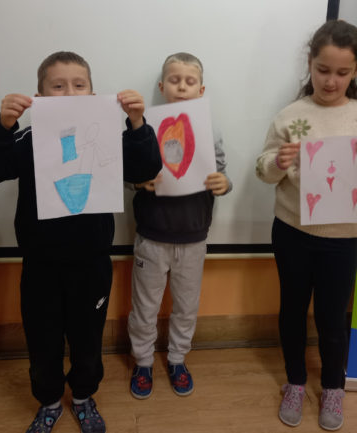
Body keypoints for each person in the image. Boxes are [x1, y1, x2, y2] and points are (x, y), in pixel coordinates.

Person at [0, 51, 162, 433]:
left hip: (92, 264)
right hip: (41, 266)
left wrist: (137, 123)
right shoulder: (28, 139)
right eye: (58, 86)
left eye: (78, 85)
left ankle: (83, 396)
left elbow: (145, 167)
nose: (69, 92)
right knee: (43, 342)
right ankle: (49, 400)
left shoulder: (105, 137)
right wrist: (2, 126)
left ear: (92, 94)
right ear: (40, 96)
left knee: (88, 340)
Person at [255, 20, 357, 431]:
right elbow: (262, 171)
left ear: (356, 71)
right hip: (292, 232)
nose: (331, 81)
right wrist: (278, 161)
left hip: (341, 239)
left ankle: (334, 387)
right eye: (323, 70)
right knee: (292, 311)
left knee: (333, 317)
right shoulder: (291, 116)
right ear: (310, 64)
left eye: (342, 72)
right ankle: (295, 381)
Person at [127, 52, 232, 399]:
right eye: (174, 80)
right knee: (145, 307)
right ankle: (143, 361)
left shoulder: (209, 128)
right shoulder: (144, 128)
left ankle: (177, 359)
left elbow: (221, 173)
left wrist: (224, 183)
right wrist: (139, 183)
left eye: (190, 82)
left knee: (186, 307)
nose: (182, 87)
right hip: (152, 237)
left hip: (193, 238)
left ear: (201, 90)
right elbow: (126, 174)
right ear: (162, 86)